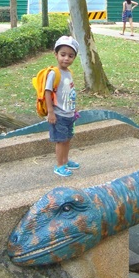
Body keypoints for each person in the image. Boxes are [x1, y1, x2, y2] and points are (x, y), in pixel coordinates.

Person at [45, 35, 80, 177]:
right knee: (60, 140)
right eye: (63, 54)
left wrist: (74, 108)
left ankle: (65, 161)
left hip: (69, 114)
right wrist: (50, 112)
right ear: (56, 54)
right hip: (58, 114)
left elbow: (70, 92)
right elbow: (47, 92)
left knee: (67, 138)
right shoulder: (54, 73)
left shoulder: (69, 72)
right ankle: (59, 165)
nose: (66, 58)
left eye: (70, 56)